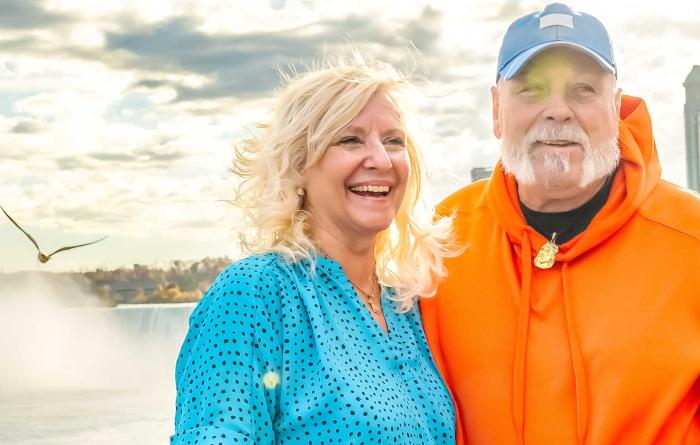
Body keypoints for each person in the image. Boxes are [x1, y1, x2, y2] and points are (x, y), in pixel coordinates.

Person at [421, 3, 700, 444]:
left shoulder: (692, 240)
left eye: (583, 89)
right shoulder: (441, 239)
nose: (558, 111)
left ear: (616, 104)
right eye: (531, 89)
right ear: (496, 110)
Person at [171, 56, 456, 444]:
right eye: (349, 139)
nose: (381, 159)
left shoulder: (406, 305)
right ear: (298, 165)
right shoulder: (255, 293)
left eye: (394, 141)